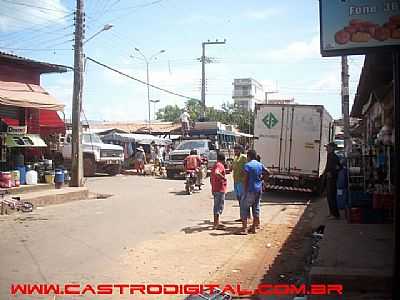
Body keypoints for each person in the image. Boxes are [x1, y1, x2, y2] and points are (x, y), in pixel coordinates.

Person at [239, 150, 267, 235]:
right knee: (256, 208)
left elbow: (246, 179)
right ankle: (254, 228)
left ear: (249, 156)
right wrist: (261, 179)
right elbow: (268, 172)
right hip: (258, 189)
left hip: (250, 190)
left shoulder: (248, 165)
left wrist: (245, 189)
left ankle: (244, 229)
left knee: (243, 207)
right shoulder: (259, 164)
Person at [210, 152, 227, 230]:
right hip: (219, 189)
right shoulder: (220, 165)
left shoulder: (215, 165)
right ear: (223, 159)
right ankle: (216, 224)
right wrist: (223, 178)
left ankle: (217, 222)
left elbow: (211, 177)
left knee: (217, 205)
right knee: (218, 206)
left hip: (215, 188)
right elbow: (217, 173)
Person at [232, 145, 248, 222]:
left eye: (236, 150)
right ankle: (242, 216)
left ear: (240, 150)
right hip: (236, 181)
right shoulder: (235, 158)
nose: (235, 152)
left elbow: (247, 168)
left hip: (242, 181)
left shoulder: (244, 157)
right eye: (234, 150)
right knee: (239, 199)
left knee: (243, 199)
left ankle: (246, 216)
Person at [325, 142, 340, 219]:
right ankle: (332, 213)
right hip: (329, 178)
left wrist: (332, 173)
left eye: (328, 147)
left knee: (332, 197)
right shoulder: (329, 156)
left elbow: (338, 167)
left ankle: (335, 214)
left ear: (332, 148)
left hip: (332, 179)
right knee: (329, 196)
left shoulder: (334, 157)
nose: (326, 148)